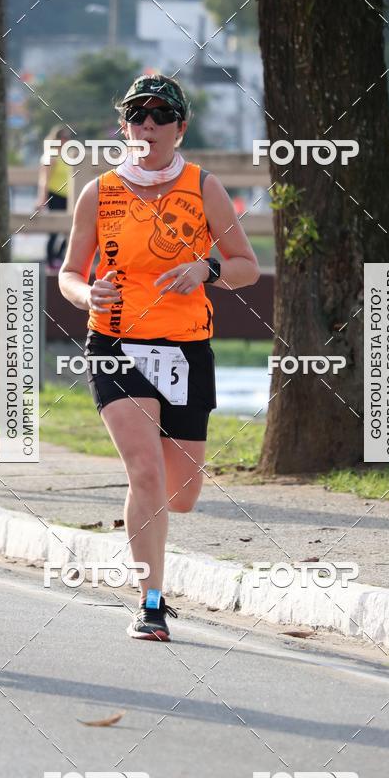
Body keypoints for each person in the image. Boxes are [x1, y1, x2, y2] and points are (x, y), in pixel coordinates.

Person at [59, 74, 260, 640]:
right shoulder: (99, 192)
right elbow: (72, 273)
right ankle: (150, 602)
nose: (147, 126)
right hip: (116, 343)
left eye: (160, 117)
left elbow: (247, 266)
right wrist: (85, 293)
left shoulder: (203, 187)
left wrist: (207, 268)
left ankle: (151, 555)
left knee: (182, 492)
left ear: (180, 128)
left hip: (186, 346)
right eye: (136, 116)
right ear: (123, 126)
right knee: (144, 471)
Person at [36, 125, 71, 270]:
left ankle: (59, 257)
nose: (65, 141)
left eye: (67, 138)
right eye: (63, 138)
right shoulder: (50, 156)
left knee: (69, 229)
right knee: (54, 231)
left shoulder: (67, 156)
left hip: (67, 197)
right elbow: (44, 179)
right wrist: (42, 199)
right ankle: (50, 261)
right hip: (55, 195)